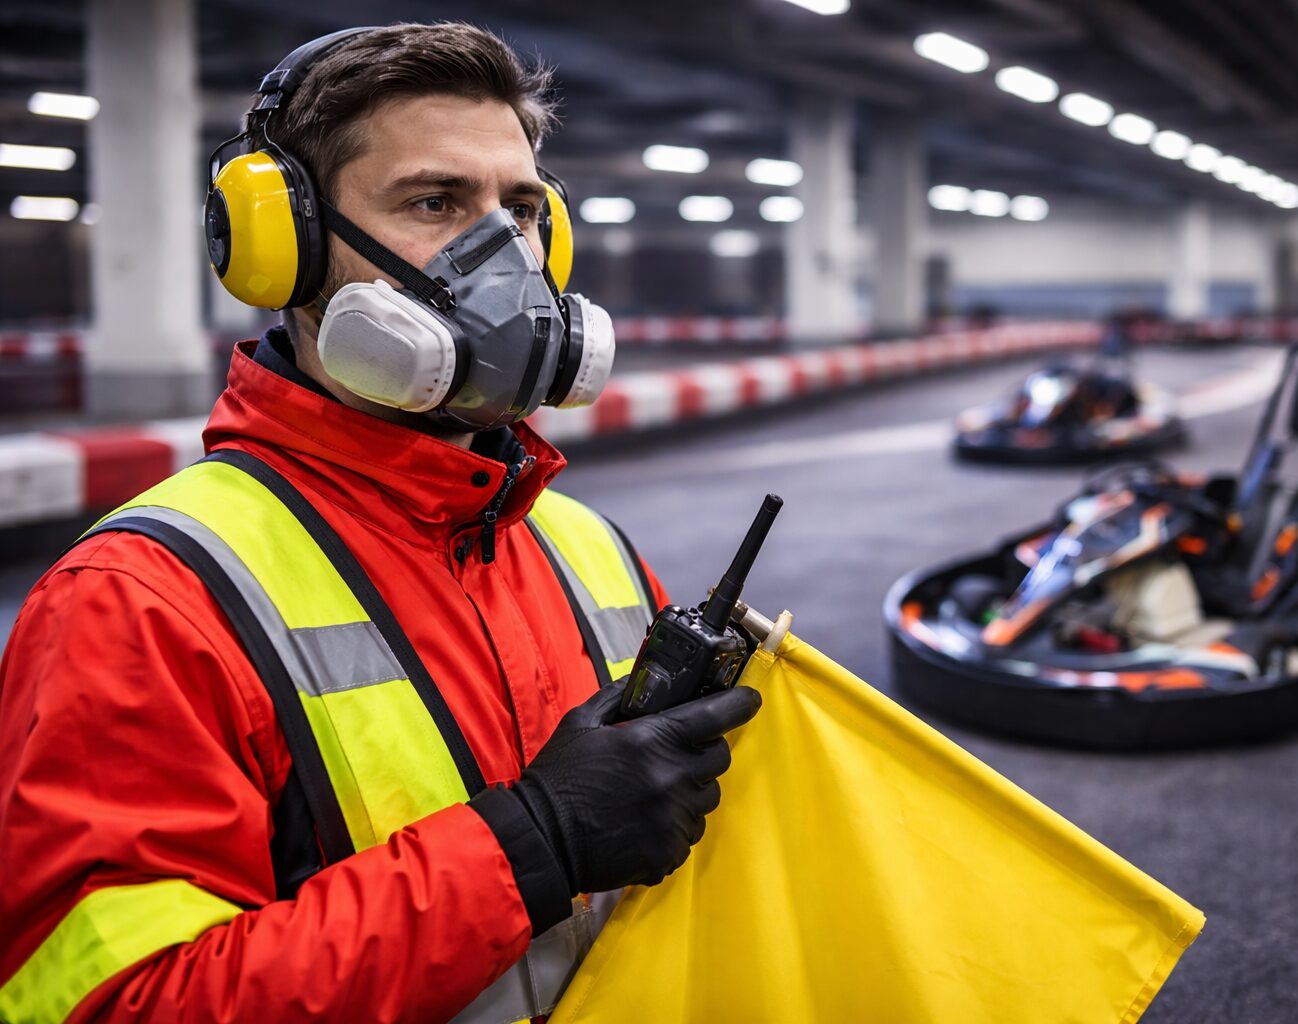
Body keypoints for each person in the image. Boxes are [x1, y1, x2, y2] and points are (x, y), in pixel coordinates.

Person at [0, 23, 760, 1024]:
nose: (504, 255)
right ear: (286, 251)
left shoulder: (587, 548)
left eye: (521, 209)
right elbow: (122, 1002)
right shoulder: (144, 600)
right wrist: (533, 844)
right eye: (434, 202)